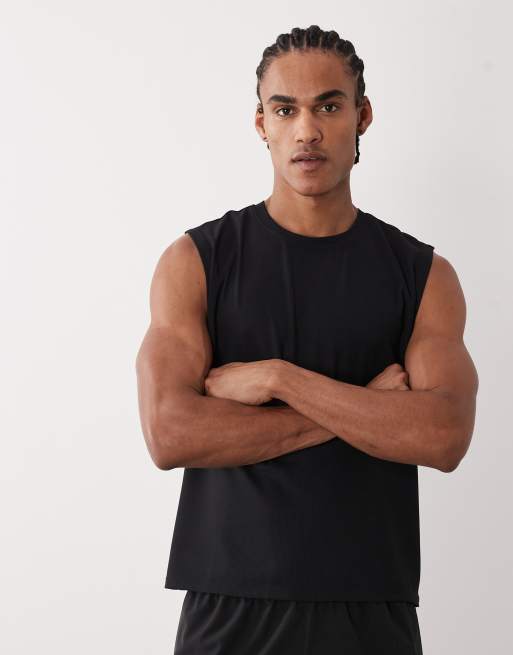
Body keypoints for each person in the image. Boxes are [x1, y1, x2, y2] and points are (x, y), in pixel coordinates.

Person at [135, 24, 479, 655]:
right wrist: (367, 406)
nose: (307, 131)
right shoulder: (196, 261)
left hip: (370, 606)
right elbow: (170, 433)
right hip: (227, 604)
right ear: (261, 124)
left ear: (362, 116)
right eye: (284, 109)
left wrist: (278, 378)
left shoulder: (423, 274)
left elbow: (444, 435)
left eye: (328, 106)